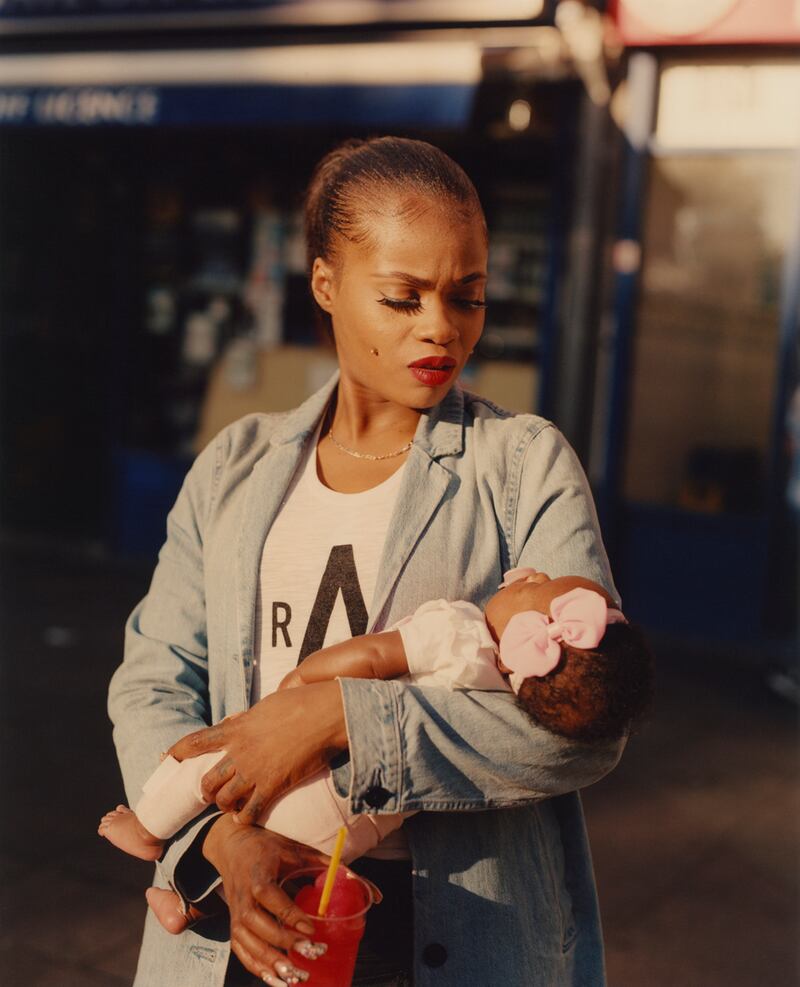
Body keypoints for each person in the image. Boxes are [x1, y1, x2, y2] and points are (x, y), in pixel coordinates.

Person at [108, 136, 628, 987]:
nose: (441, 326)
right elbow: (155, 675)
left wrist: (347, 719)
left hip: (454, 938)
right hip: (231, 925)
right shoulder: (237, 465)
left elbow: (587, 726)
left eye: (468, 296)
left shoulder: (521, 465)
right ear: (325, 283)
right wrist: (220, 839)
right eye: (401, 296)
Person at [100, 568, 654, 935]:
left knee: (208, 765)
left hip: (314, 762)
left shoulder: (460, 633)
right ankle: (188, 906)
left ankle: (148, 828)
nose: (535, 574)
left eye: (543, 586)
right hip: (366, 815)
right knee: (278, 866)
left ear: (528, 640)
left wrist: (304, 689)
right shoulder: (510, 693)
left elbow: (370, 656)